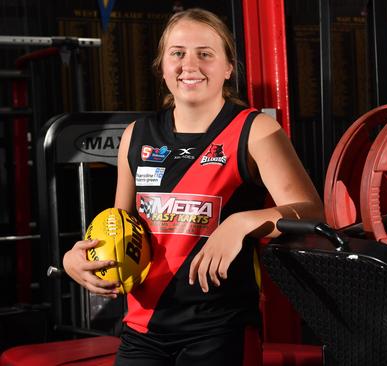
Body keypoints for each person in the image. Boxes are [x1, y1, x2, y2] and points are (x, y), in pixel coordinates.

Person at [62, 7, 323, 365]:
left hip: (220, 330)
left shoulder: (254, 131)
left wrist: (241, 222)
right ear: (162, 66)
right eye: (178, 53)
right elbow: (119, 225)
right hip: (143, 331)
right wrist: (75, 258)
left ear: (228, 67)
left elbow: (311, 212)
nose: (190, 64)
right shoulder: (136, 136)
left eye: (205, 54)